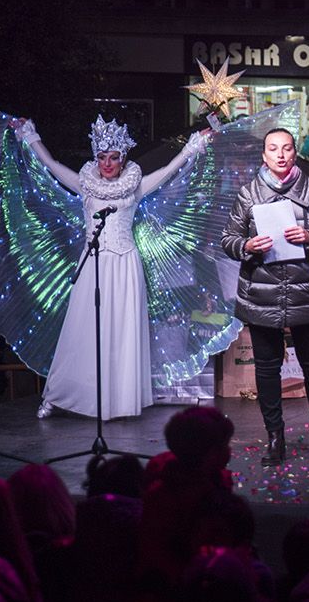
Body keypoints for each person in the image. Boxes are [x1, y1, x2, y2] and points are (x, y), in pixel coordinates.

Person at [14, 114, 211, 420]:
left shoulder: (136, 186)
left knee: (120, 331)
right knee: (82, 329)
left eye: (114, 157)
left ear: (123, 158)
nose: (107, 164)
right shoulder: (86, 185)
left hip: (125, 265)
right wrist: (30, 135)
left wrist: (193, 145)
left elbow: (169, 171)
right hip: (94, 263)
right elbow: (51, 166)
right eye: (102, 157)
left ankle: (117, 400)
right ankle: (59, 395)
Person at [221, 127, 309, 465]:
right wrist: (246, 245)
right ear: (264, 156)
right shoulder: (249, 194)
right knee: (267, 368)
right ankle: (274, 436)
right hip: (263, 294)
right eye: (273, 149)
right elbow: (228, 239)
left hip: (308, 291)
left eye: (287, 148)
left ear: (295, 153)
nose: (280, 154)